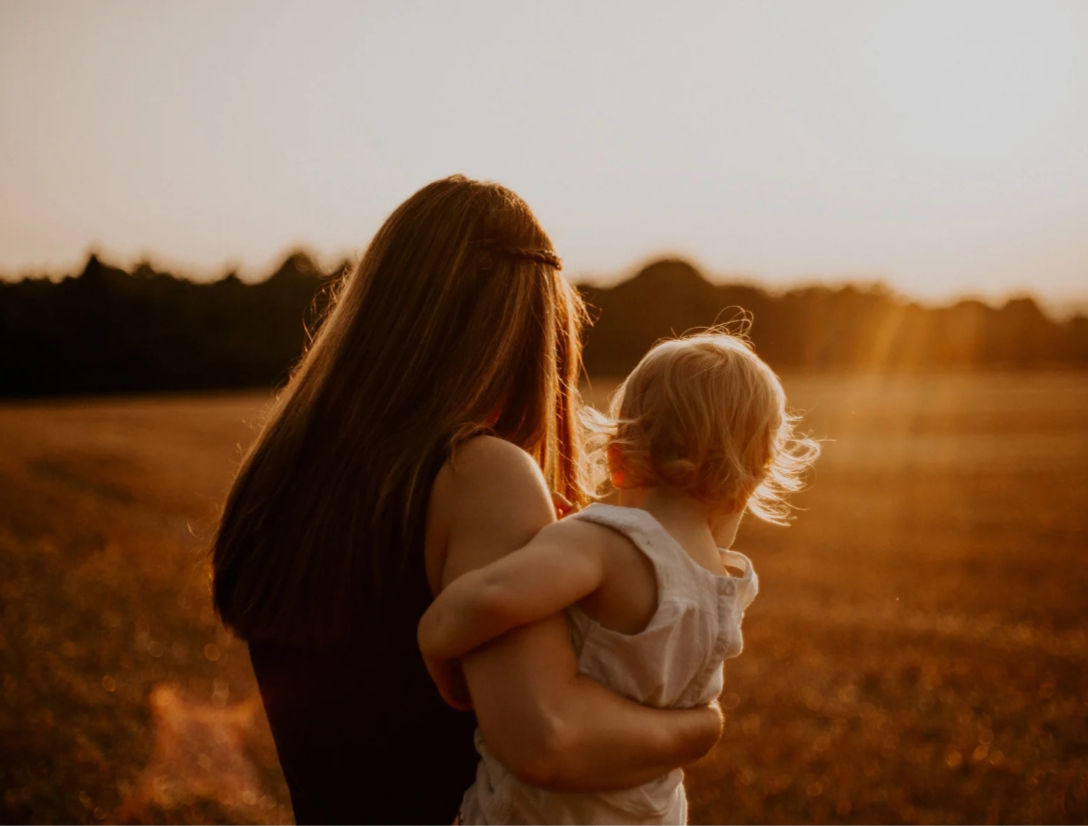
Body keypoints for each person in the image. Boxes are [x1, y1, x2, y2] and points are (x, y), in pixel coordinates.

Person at [210, 175, 724, 824]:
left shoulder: (283, 475)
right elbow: (547, 739)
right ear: (535, 337)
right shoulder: (479, 475)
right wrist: (696, 729)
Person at [418, 332, 821, 824]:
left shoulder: (605, 544)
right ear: (747, 487)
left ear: (616, 458)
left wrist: (435, 639)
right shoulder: (725, 587)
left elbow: (496, 595)